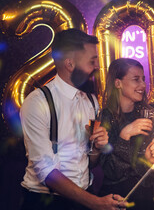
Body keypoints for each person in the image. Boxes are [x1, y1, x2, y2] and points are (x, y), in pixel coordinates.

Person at [19, 29, 127, 210]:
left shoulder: (91, 102)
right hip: (46, 202)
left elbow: (88, 161)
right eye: (91, 61)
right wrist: (95, 202)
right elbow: (46, 171)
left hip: (84, 197)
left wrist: (97, 148)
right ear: (70, 64)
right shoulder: (38, 102)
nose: (97, 67)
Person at [98, 58, 154, 210]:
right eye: (136, 80)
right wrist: (124, 135)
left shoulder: (149, 116)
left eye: (143, 79)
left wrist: (152, 161)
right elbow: (111, 171)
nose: (142, 85)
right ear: (118, 83)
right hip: (115, 201)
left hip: (144, 200)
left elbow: (153, 176)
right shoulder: (105, 117)